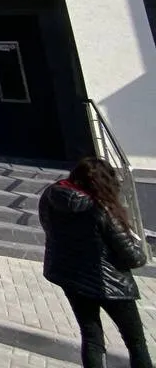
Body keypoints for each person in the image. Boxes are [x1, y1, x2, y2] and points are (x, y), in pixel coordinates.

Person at [40, 157, 152, 368]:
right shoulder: (101, 209)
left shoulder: (51, 197)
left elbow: (49, 228)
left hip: (72, 278)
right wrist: (138, 245)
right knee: (136, 342)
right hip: (111, 284)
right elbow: (134, 257)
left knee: (91, 337)